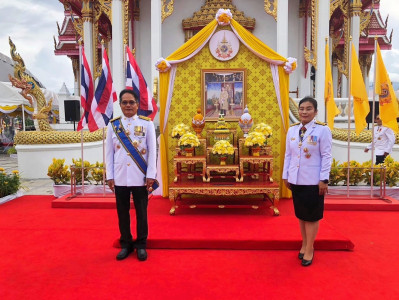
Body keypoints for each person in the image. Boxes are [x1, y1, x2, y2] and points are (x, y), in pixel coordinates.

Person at [106, 89, 157, 261]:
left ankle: (141, 244)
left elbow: (152, 152)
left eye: (131, 102)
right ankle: (126, 244)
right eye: (125, 102)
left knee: (142, 213)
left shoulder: (147, 124)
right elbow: (109, 153)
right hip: (120, 176)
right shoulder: (113, 126)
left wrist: (151, 174)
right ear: (120, 105)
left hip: (140, 176)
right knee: (122, 213)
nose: (128, 105)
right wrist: (110, 176)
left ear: (137, 104)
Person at [282, 96, 332, 267]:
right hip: (296, 179)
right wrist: (286, 175)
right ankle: (304, 244)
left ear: (315, 111)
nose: (304, 112)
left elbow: (326, 155)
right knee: (302, 216)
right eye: (302, 108)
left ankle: (310, 248)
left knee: (311, 217)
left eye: (308, 108)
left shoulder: (322, 130)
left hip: (313, 181)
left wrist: (324, 179)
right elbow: (288, 154)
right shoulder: (293, 130)